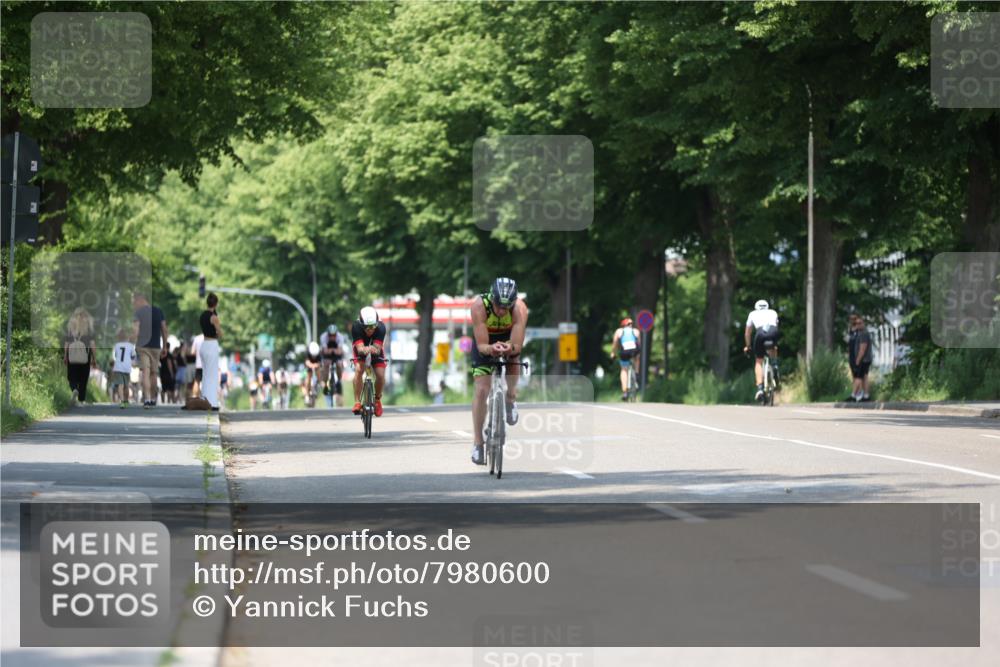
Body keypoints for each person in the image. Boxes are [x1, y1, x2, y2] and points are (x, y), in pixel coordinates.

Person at [469, 277, 528, 466]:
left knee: (514, 360)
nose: (502, 311)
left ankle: (510, 398)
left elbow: (517, 345)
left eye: (506, 307)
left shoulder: (519, 308)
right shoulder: (479, 306)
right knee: (481, 390)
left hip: (508, 339)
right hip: (485, 340)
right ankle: (478, 443)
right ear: (491, 298)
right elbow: (481, 345)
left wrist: (509, 348)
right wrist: (491, 348)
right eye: (498, 306)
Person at [132, 293, 168, 409]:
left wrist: (133, 343)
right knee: (154, 373)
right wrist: (165, 346)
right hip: (156, 347)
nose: (134, 303)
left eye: (135, 301)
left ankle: (147, 399)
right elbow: (164, 329)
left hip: (142, 346)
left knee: (145, 373)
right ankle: (153, 398)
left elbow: (136, 331)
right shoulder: (158, 311)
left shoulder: (138, 313)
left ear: (141, 299)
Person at [351, 306, 387, 417]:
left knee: (380, 375)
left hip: (375, 349)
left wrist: (373, 349)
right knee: (358, 369)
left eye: (373, 326)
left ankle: (377, 400)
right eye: (367, 327)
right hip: (361, 347)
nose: (370, 330)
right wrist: (365, 349)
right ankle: (357, 402)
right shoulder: (356, 327)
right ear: (361, 325)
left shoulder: (381, 328)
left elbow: (377, 348)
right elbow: (360, 348)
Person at [743, 299, 781, 402]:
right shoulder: (773, 312)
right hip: (773, 331)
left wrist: (748, 346)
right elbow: (776, 325)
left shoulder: (753, 314)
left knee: (759, 360)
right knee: (774, 347)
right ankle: (775, 365)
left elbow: (747, 333)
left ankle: (760, 388)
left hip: (760, 333)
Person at [64, 307, 97, 403]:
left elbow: (66, 344)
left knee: (72, 376)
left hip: (72, 356)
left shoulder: (70, 329)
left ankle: (74, 388)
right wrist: (94, 358)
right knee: (83, 378)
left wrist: (65, 356)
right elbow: (92, 345)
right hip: (85, 356)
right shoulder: (89, 330)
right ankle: (81, 400)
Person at [199, 293, 223, 412]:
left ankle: (204, 399)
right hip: (212, 345)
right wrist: (218, 332)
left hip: (204, 345)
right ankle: (212, 402)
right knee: (212, 375)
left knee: (205, 374)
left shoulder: (203, 315)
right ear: (216, 304)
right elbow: (220, 333)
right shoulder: (214, 317)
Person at [611, 317, 642, 401]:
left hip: (624, 352)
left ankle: (625, 391)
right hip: (634, 351)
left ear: (623, 325)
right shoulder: (636, 331)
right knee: (637, 357)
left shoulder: (619, 331)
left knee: (624, 370)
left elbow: (615, 344)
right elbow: (639, 344)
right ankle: (636, 373)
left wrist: (613, 353)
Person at [848, 313, 873, 402]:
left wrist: (858, 360)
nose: (857, 325)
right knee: (864, 377)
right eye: (856, 323)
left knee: (858, 377)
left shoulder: (863, 333)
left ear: (863, 323)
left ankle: (853, 395)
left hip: (863, 359)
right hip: (864, 359)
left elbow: (862, 348)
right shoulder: (858, 332)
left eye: (859, 323)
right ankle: (866, 395)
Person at [320, 324, 345, 407]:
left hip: (337, 355)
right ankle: (325, 381)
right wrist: (333, 350)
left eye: (334, 335)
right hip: (327, 355)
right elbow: (325, 351)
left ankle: (339, 380)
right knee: (326, 364)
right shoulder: (323, 337)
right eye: (330, 335)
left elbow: (340, 351)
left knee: (339, 364)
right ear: (328, 334)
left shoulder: (340, 337)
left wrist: (332, 350)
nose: (332, 337)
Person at [110, 328, 136, 408]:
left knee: (120, 385)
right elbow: (133, 356)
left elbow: (115, 356)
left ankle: (121, 401)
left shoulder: (116, 345)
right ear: (126, 337)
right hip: (127, 367)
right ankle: (126, 400)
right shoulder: (131, 346)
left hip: (118, 367)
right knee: (126, 385)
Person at [303, 341, 323, 406]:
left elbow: (320, 363)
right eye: (313, 355)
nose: (314, 356)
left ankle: (320, 383)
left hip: (316, 364)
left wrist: (316, 365)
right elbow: (307, 362)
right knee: (308, 376)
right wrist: (312, 365)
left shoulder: (319, 353)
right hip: (309, 364)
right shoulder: (307, 352)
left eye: (315, 355)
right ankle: (306, 395)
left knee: (318, 371)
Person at [190, 333, 205, 398]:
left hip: (199, 364)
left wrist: (198, 355)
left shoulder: (197, 338)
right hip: (208, 364)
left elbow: (192, 352)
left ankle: (194, 396)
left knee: (197, 381)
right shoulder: (211, 338)